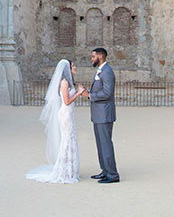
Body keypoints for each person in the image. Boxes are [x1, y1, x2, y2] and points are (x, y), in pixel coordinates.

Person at [26, 59, 85, 183]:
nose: (74, 67)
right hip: (65, 114)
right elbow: (67, 101)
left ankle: (71, 170)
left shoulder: (69, 82)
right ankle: (64, 171)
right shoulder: (64, 82)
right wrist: (79, 93)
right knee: (67, 140)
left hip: (69, 114)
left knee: (71, 139)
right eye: (72, 65)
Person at [80, 47, 120, 184]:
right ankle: (105, 170)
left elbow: (107, 93)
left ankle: (113, 174)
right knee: (100, 144)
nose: (91, 59)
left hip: (104, 114)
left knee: (105, 144)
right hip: (98, 114)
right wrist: (88, 91)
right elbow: (100, 89)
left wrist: (89, 95)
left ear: (101, 56)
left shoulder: (107, 71)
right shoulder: (101, 70)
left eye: (93, 56)